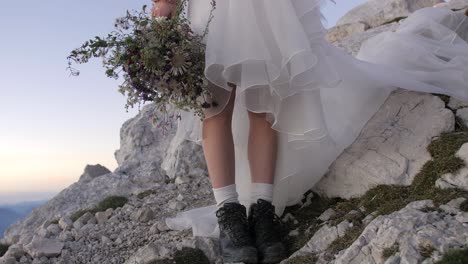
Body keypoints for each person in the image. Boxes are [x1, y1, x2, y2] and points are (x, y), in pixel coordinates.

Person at [152, 0, 468, 263]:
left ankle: (264, 212)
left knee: (265, 104)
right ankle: (229, 214)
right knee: (214, 105)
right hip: (209, 7)